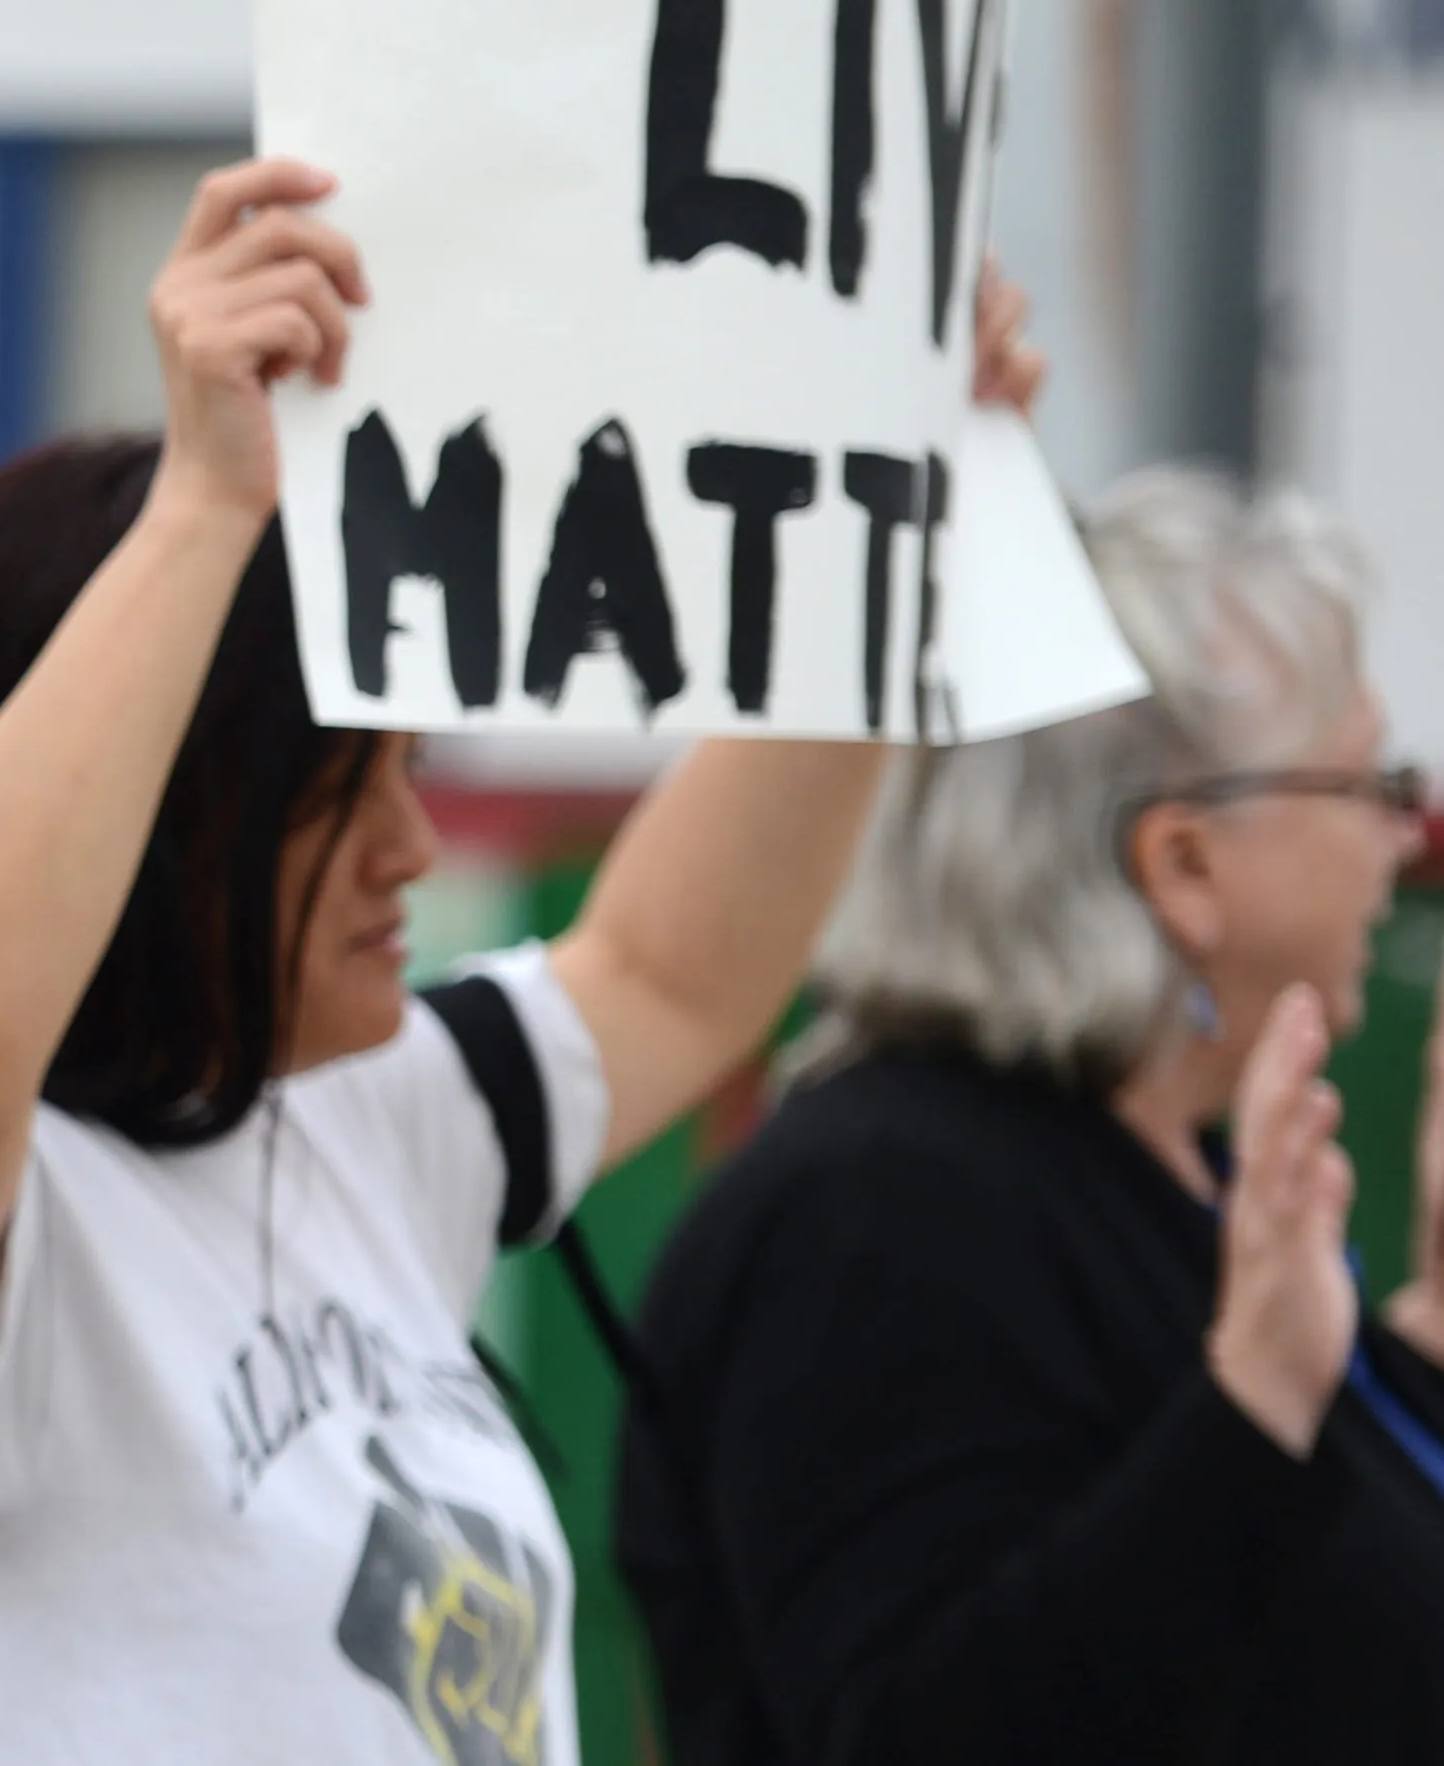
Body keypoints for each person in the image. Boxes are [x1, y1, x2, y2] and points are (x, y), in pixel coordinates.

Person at [0, 158, 1040, 1765]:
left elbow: (680, 972)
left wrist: (893, 503)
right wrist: (208, 508)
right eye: (346, 798)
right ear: (163, 819)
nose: (415, 849)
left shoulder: (364, 1117)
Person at [614, 472, 1444, 1762]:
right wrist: (1254, 1402)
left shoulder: (1164, 1174)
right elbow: (929, 1729)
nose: (1401, 835)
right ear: (1180, 863)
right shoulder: (875, 1212)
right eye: (1363, 781)